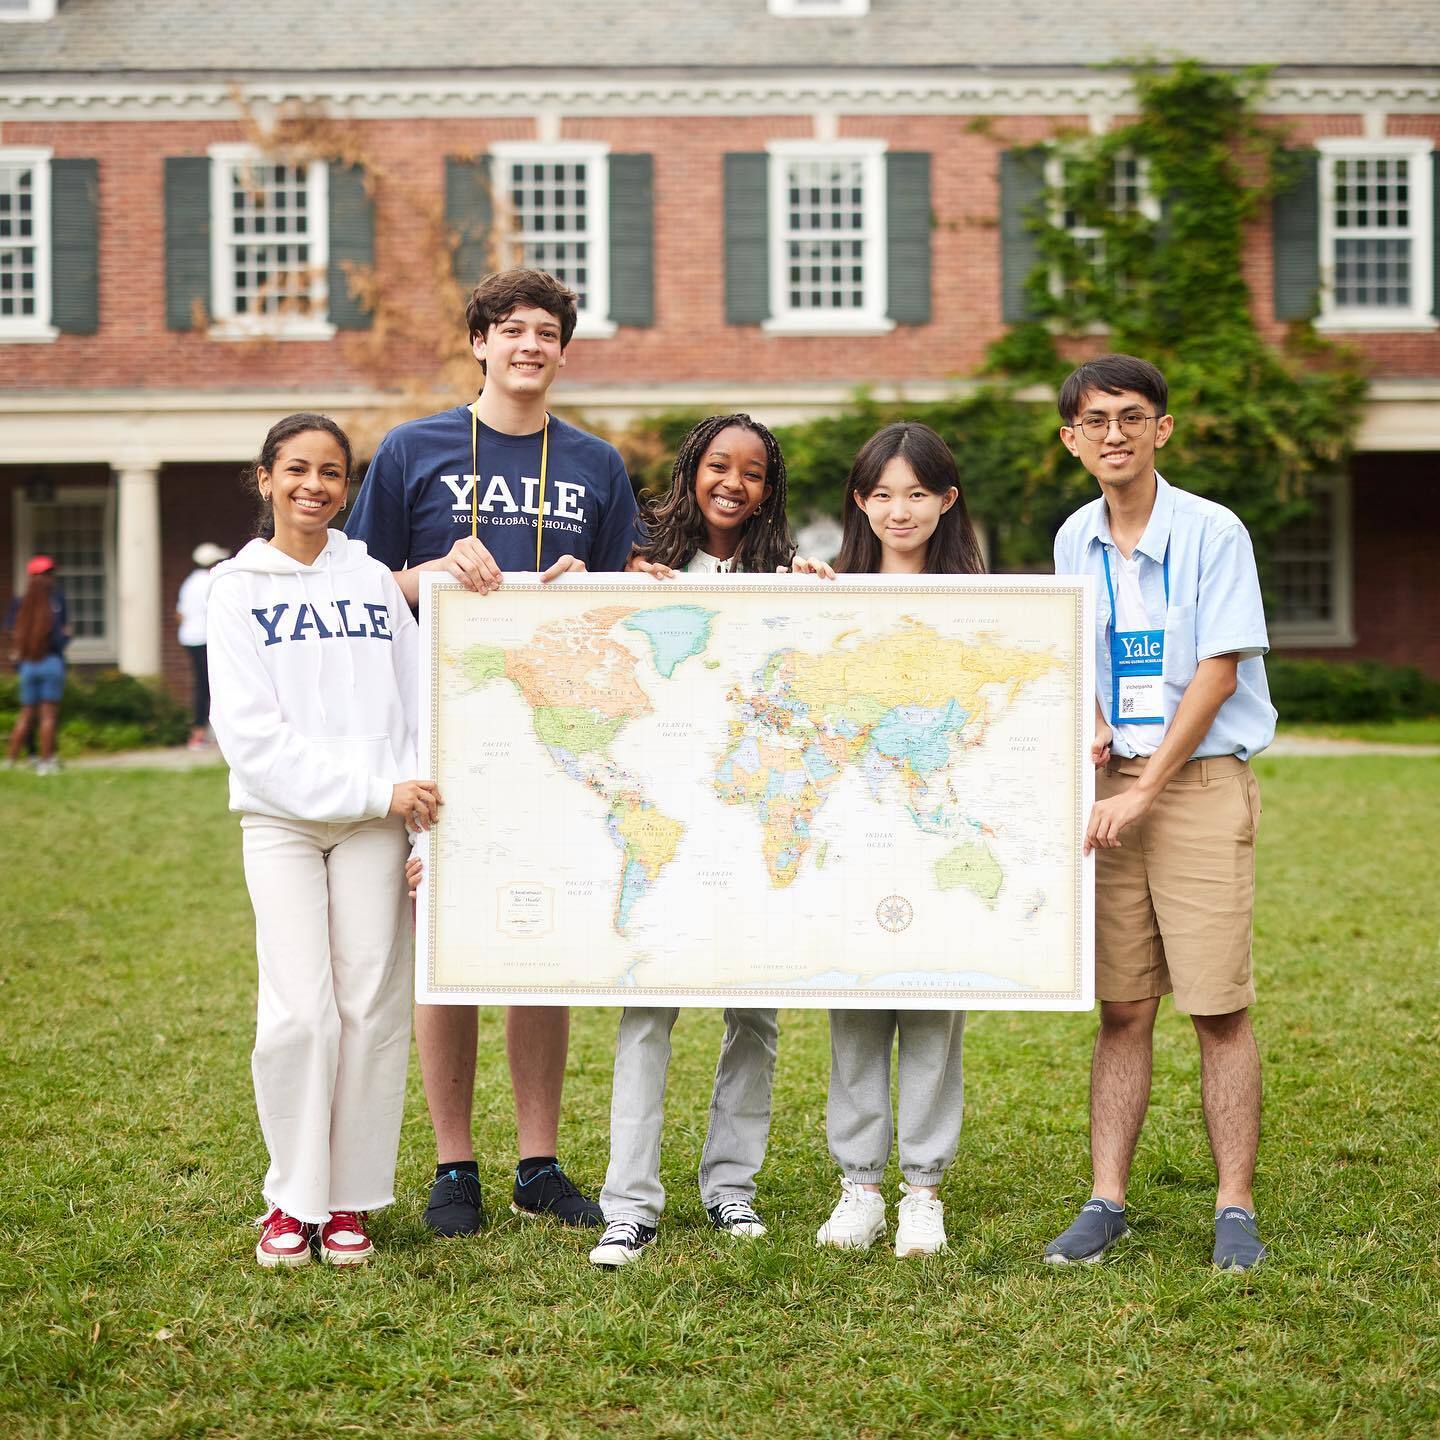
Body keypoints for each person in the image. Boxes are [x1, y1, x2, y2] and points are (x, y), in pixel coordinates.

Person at [345, 267, 638, 1237]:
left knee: (537, 939)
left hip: (557, 739)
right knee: (447, 939)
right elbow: (359, 590)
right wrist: (428, 571)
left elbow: (627, 599)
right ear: (479, 341)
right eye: (510, 329)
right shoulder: (413, 449)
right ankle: (454, 1164)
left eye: (546, 332)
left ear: (563, 351)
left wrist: (590, 584)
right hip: (444, 734)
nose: (528, 346)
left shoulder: (595, 463)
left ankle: (537, 1164)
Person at [1045, 355, 1275, 1272]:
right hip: (1112, 793)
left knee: (1217, 1010)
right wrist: (1098, 723)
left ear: (1161, 429)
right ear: (1072, 439)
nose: (1114, 434)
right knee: (1123, 1008)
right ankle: (1106, 1200)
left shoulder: (1214, 531)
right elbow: (1081, 655)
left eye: (1132, 417)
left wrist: (1146, 789)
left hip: (1198, 787)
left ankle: (1234, 1208)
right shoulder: (1073, 538)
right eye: (1095, 420)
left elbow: (1218, 671)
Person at [207, 413, 440, 1269]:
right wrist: (375, 789)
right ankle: (291, 1198)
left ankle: (348, 1200)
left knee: (370, 1008)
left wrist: (416, 819)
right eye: (298, 469)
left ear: (347, 486)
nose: (315, 486)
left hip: (379, 824)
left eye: (332, 472)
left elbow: (419, 700)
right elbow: (250, 736)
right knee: (300, 1015)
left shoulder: (372, 578)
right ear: (265, 477)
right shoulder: (235, 588)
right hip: (285, 821)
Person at [587, 412, 820, 1269]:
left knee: (754, 1013)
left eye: (753, 472)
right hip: (664, 824)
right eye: (720, 465)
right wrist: (601, 584)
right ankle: (629, 1204)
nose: (734, 483)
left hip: (750, 821)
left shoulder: (786, 575)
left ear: (769, 490)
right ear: (692, 471)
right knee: (647, 1012)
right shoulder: (640, 562)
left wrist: (822, 597)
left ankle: (731, 1188)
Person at [816, 421, 986, 1258]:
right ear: (860, 502)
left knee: (930, 1008)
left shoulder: (986, 608)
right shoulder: (829, 597)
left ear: (946, 500)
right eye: (882, 494)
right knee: (855, 1005)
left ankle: (923, 1190)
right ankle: (860, 1188)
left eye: (917, 493)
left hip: (939, 830)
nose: (900, 510)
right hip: (855, 830)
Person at [5, 555, 69, 776]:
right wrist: (67, 636)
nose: (49, 577)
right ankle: (46, 762)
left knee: (26, 714)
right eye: (46, 574)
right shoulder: (56, 602)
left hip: (28, 664)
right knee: (48, 716)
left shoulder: (20, 603)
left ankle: (10, 761)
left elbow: (12, 632)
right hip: (50, 662)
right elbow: (59, 639)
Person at [176, 541, 230, 750]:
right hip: (204, 638)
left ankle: (203, 732)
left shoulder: (189, 582)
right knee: (207, 685)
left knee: (203, 684)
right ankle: (199, 734)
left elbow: (180, 614)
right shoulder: (210, 581)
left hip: (189, 638)